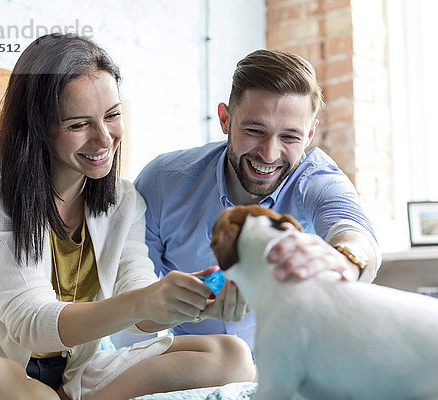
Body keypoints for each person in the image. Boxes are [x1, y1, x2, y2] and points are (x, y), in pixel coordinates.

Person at [0, 33, 255, 400]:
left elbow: (140, 307)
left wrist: (191, 301)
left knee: (234, 356)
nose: (104, 139)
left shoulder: (123, 201)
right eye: (79, 125)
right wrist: (145, 300)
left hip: (75, 371)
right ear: (38, 127)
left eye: (112, 116)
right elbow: (29, 322)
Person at [134, 49, 382, 353]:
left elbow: (356, 235)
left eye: (290, 137)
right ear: (226, 119)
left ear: (309, 134)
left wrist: (343, 259)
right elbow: (132, 309)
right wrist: (195, 304)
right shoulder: (163, 181)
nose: (269, 153)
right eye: (254, 130)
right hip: (196, 363)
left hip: (297, 361)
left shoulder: (318, 180)